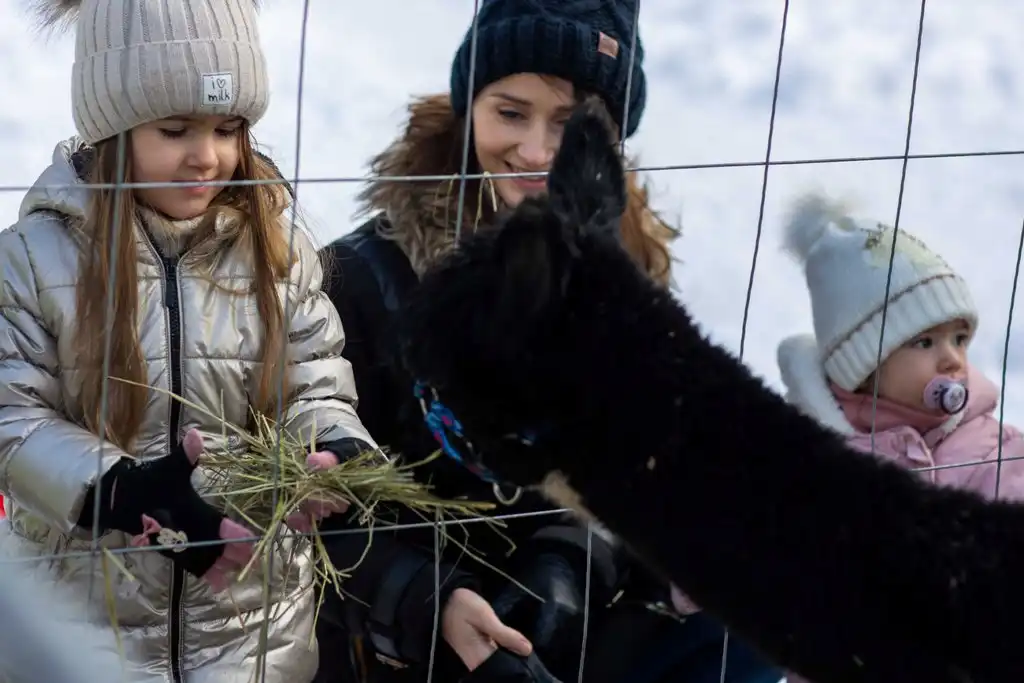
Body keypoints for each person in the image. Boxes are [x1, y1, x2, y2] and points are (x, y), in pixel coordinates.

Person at [318, 2, 780, 682]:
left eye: (568, 124)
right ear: (467, 102)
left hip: (563, 629)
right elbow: (313, 506)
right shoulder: (365, 279)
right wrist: (431, 601)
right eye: (510, 113)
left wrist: (567, 565)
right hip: (403, 639)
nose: (536, 151)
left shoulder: (624, 275)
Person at [0, 1, 377, 681]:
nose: (207, 156)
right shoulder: (35, 259)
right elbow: (10, 413)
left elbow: (315, 376)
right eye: (175, 129)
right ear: (112, 128)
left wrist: (332, 443)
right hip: (83, 627)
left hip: (251, 629)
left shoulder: (277, 252)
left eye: (229, 129)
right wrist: (118, 488)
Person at [777, 192, 1024, 681]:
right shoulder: (817, 455)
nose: (953, 358)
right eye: (925, 342)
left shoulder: (993, 450)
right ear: (865, 366)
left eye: (959, 338)